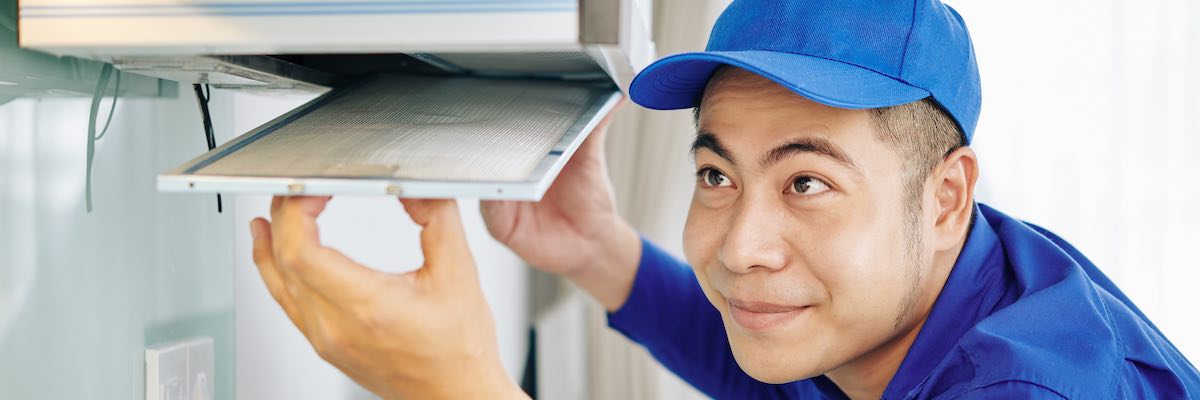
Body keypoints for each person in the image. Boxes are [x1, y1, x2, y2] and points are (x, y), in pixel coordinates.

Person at [248, 0, 1200, 398]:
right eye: (716, 175)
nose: (742, 246)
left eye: (808, 183)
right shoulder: (904, 298)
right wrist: (599, 250)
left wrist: (460, 388)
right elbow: (766, 366)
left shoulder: (1026, 387)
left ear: (944, 196)